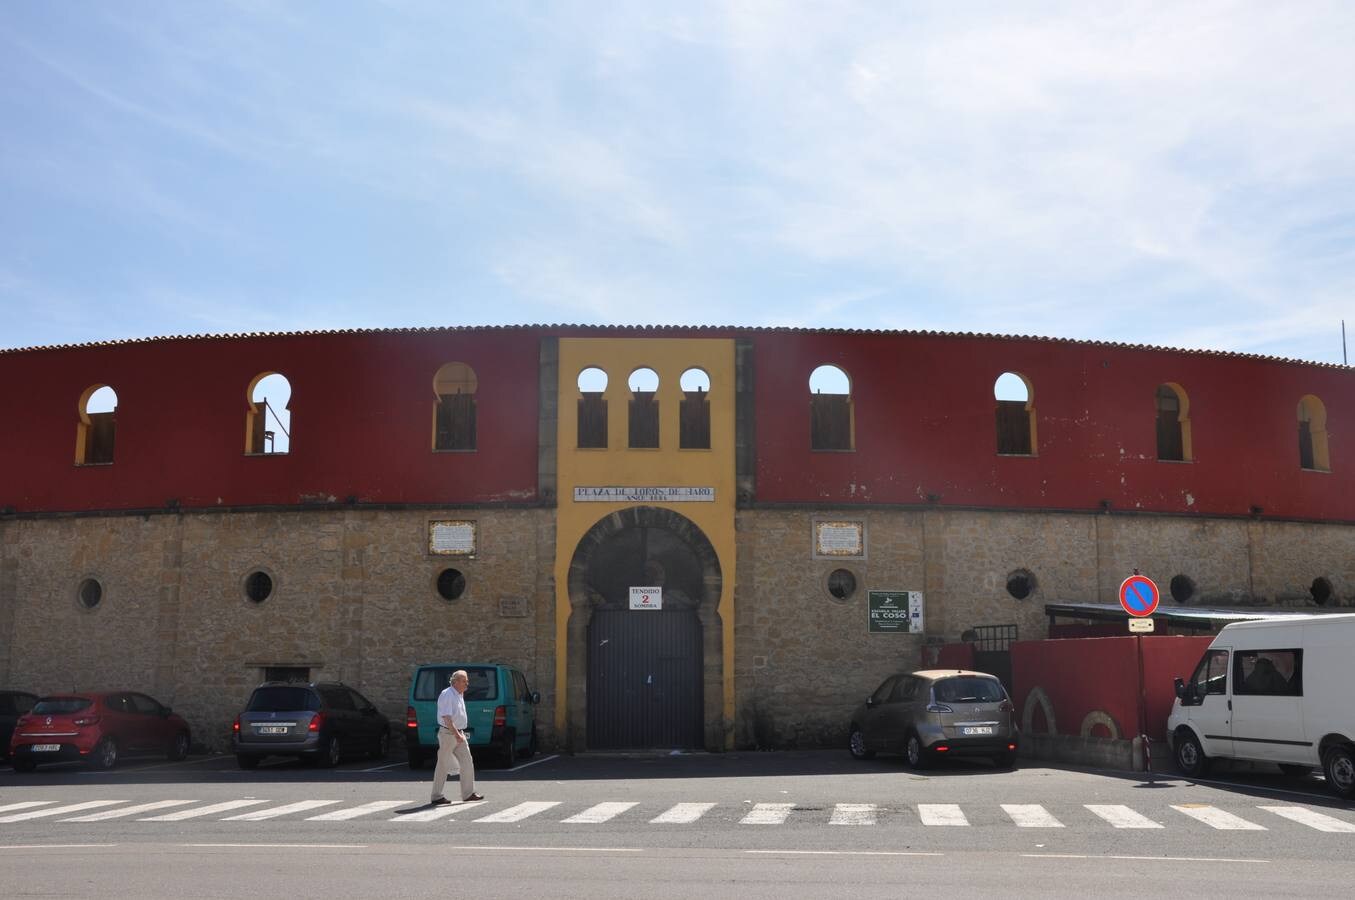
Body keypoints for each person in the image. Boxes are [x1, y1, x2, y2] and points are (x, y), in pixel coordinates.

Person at [429, 669, 483, 805]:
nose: (467, 684)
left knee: (467, 761)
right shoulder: (447, 694)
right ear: (456, 682)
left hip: (458, 733)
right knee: (443, 764)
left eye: (467, 681)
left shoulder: (459, 693)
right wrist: (456, 734)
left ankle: (468, 793)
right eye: (464, 681)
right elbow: (447, 718)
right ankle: (436, 796)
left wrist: (459, 734)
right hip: (449, 734)